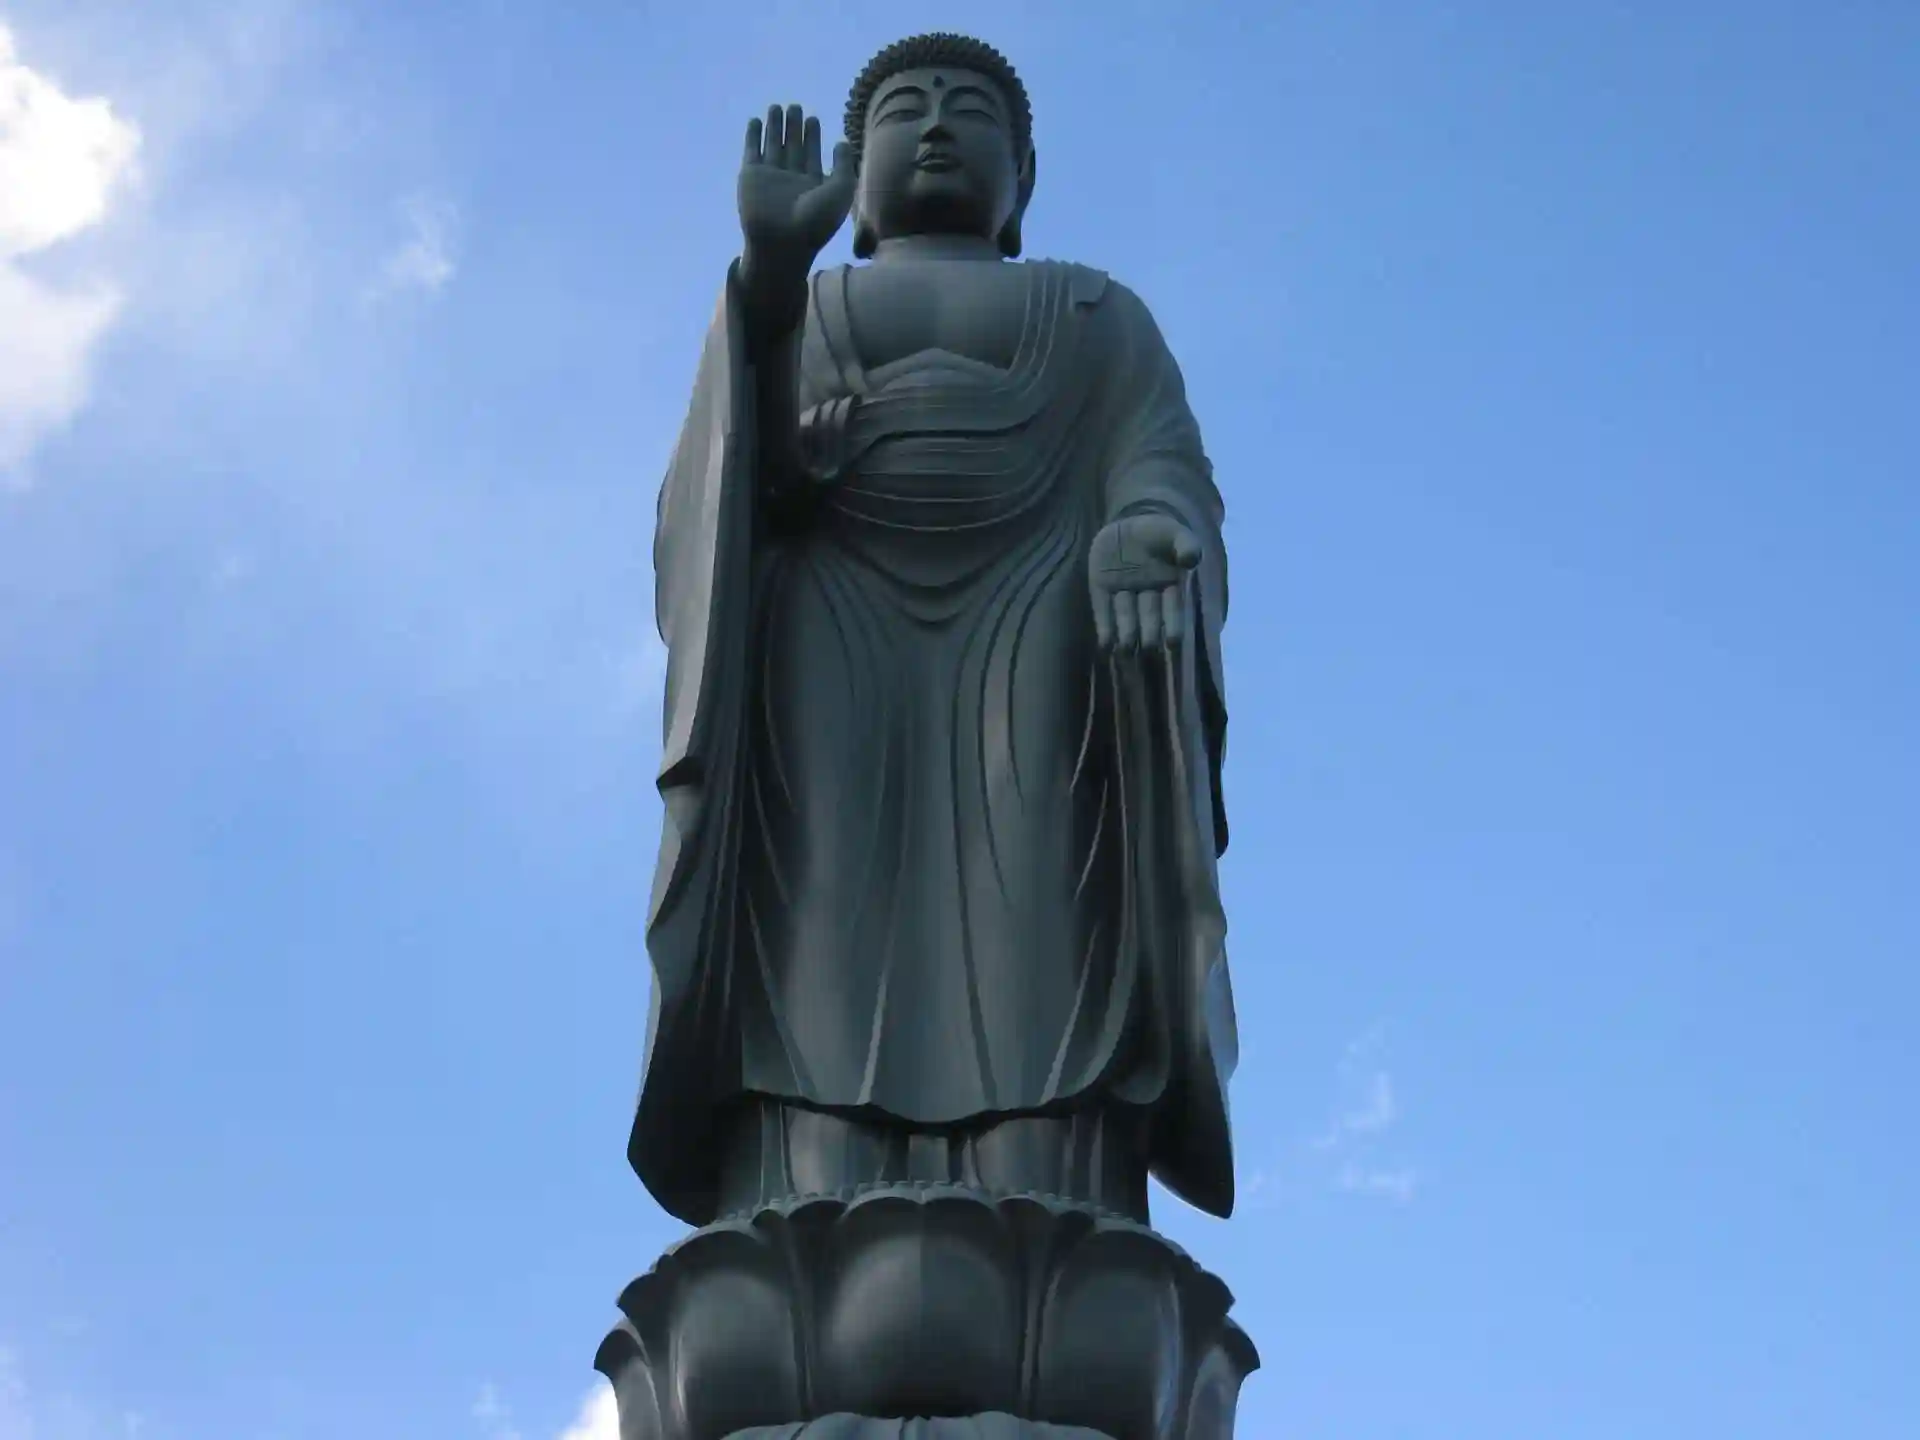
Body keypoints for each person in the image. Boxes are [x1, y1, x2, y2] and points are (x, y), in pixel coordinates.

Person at [633, 32, 1239, 1231]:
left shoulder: (1096, 314)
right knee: (818, 913)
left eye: (974, 112)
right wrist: (767, 281)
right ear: (855, 181)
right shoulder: (804, 304)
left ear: (1024, 180)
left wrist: (1144, 530)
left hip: (1042, 625)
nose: (941, 127)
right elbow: (722, 495)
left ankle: (1052, 1189)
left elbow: (1164, 467)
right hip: (832, 635)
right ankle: (804, 1194)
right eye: (906, 110)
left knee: (1040, 909)